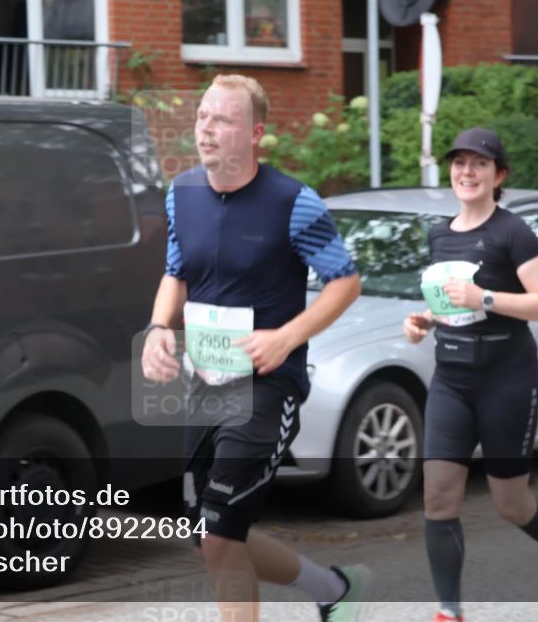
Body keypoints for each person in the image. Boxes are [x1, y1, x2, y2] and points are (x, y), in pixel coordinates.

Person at [140, 74, 370, 622]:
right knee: (211, 536)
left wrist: (287, 336)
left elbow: (346, 281)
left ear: (254, 134)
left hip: (269, 384)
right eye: (203, 116)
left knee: (220, 535)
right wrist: (156, 328)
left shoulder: (293, 202)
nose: (208, 128)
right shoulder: (182, 194)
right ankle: (335, 590)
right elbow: (176, 272)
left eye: (223, 119)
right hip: (208, 381)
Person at [402, 128, 538, 622]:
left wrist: (486, 298)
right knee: (438, 495)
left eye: (479, 164)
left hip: (507, 379)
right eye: (460, 163)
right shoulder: (440, 233)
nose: (467, 172)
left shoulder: (514, 232)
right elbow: (449, 303)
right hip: (451, 378)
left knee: (510, 503)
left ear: (498, 175)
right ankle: (449, 610)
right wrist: (423, 318)